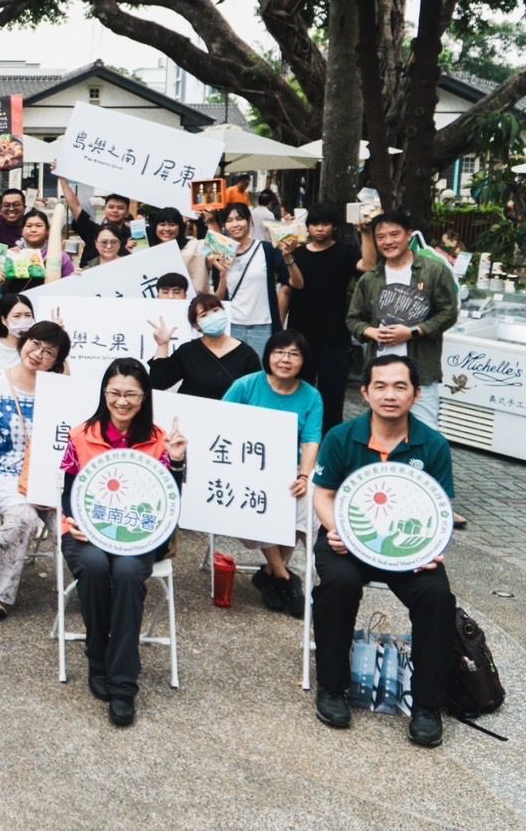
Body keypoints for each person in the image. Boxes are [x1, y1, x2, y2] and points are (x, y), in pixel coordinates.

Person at [310, 355, 458, 748]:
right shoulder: (341, 437)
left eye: (399, 387)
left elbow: (441, 510)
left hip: (405, 547)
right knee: (338, 585)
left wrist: (435, 546)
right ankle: (332, 688)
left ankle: (427, 705)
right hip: (348, 539)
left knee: (437, 597)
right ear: (365, 392)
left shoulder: (434, 444)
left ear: (415, 393)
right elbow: (323, 494)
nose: (389, 395)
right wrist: (334, 528)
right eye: (380, 386)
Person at [59, 358, 189, 726]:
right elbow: (70, 492)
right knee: (96, 566)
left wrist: (177, 462)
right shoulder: (81, 435)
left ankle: (123, 683)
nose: (122, 401)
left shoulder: (161, 439)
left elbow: (170, 500)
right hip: (87, 532)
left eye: (131, 394)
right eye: (115, 393)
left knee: (130, 573)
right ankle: (97, 655)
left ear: (144, 396)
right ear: (104, 394)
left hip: (138, 535)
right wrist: (74, 521)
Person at [0, 321, 72, 619]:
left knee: (73, 522)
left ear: (57, 361)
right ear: (24, 342)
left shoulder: (57, 391)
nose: (38, 353)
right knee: (23, 517)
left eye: (49, 352)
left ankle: (94, 586)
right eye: (35, 343)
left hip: (46, 476)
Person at [222, 329, 323, 614]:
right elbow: (219, 422)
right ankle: (282, 576)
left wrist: (304, 475)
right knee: (267, 497)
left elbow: (311, 439)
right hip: (246, 466)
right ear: (268, 355)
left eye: (294, 354)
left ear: (304, 360)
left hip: (289, 468)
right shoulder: (247, 385)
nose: (285, 359)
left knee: (309, 499)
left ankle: (272, 573)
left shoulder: (311, 395)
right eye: (279, 352)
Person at [346, 211, 459, 432]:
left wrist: (413, 332)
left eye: (394, 234)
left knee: (425, 430)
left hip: (421, 370)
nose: (388, 241)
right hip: (380, 369)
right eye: (381, 237)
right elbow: (353, 319)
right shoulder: (370, 279)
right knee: (381, 430)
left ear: (408, 235)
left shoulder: (433, 270)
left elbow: (448, 313)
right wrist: (371, 332)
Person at [288, 203, 369, 435]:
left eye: (325, 224)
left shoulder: (345, 251)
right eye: (315, 224)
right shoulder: (298, 252)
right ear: (308, 227)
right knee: (296, 391)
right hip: (300, 334)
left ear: (334, 227)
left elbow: (369, 266)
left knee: (332, 397)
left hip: (334, 334)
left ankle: (329, 445)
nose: (320, 229)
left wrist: (365, 232)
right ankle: (296, 440)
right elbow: (295, 284)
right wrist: (289, 258)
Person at [207, 202, 292, 355]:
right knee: (235, 375)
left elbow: (288, 281)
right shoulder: (221, 253)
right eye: (229, 220)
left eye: (239, 218)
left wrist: (279, 315)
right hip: (232, 326)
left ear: (249, 221)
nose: (235, 224)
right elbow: (218, 299)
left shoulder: (266, 249)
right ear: (224, 225)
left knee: (261, 374)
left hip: (263, 326)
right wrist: (222, 274)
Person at [149, 293, 261, 399]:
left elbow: (255, 392)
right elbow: (158, 383)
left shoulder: (247, 354)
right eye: (204, 315)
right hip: (192, 414)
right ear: (196, 325)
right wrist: (162, 345)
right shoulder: (187, 351)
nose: (213, 317)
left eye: (216, 310)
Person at [65, 179, 133, 268]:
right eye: (111, 207)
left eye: (120, 208)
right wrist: (61, 178)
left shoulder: (134, 236)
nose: (115, 210)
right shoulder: (92, 230)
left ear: (127, 212)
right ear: (105, 209)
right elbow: (75, 207)